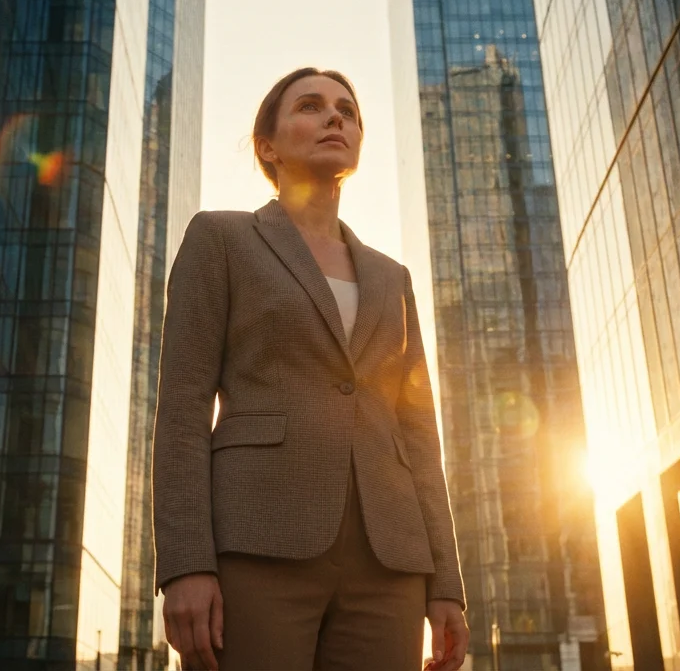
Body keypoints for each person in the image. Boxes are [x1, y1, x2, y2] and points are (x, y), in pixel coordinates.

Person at [153, 68, 469, 671]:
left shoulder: (392, 277)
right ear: (267, 147)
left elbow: (419, 436)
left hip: (391, 560)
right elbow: (182, 409)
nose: (335, 118)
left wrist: (447, 583)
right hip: (258, 542)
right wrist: (186, 564)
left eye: (347, 112)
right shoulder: (221, 238)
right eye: (311, 106)